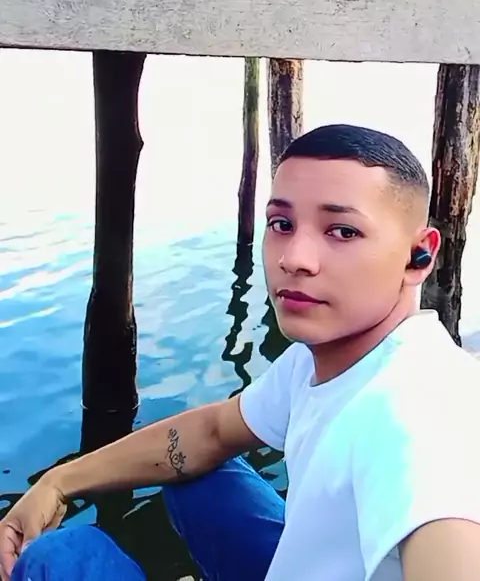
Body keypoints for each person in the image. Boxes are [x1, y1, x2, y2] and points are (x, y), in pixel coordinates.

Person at [2, 123, 480, 581]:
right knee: (201, 474)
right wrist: (59, 482)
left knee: (59, 557)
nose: (293, 259)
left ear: (419, 255)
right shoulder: (321, 359)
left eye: (342, 231)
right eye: (282, 223)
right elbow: (211, 432)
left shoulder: (416, 415)